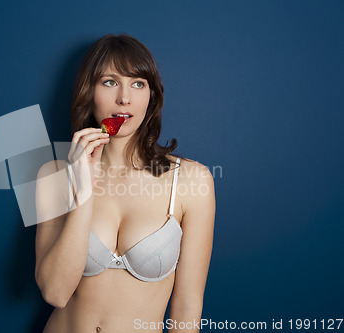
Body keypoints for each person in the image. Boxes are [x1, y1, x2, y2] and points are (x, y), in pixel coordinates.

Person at [34, 33, 215, 333]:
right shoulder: (53, 176)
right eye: (109, 82)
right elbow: (55, 292)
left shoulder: (192, 181)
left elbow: (186, 311)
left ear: (151, 96)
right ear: (88, 91)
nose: (124, 98)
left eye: (138, 83)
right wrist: (84, 188)